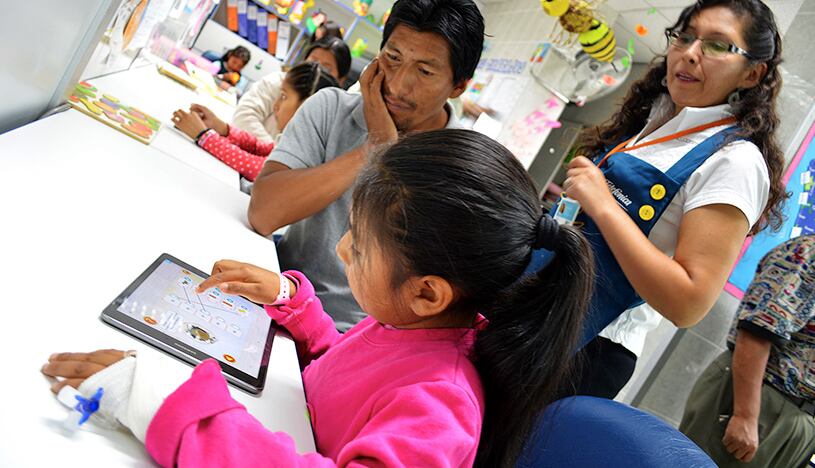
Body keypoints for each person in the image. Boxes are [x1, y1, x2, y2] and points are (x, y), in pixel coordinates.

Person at [40, 130, 595, 467]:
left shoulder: (442, 406)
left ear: (426, 291)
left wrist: (166, 408)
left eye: (360, 241)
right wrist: (292, 303)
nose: (342, 247)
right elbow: (344, 379)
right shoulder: (408, 324)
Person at [533, 0, 786, 399]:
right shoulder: (654, 123)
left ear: (752, 73)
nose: (689, 52)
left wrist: (602, 204)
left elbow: (689, 303)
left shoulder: (736, 161)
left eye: (717, 45)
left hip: (589, 346)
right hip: (547, 307)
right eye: (684, 37)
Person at [248, 0, 484, 331]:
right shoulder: (330, 108)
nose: (399, 85)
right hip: (274, 290)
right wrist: (374, 148)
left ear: (458, 86)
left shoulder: (462, 168)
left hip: (350, 338)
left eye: (425, 71)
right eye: (393, 58)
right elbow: (264, 214)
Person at [680, 235, 815, 467]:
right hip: (762, 400)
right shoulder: (806, 254)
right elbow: (758, 330)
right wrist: (745, 415)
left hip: (800, 421)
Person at [171, 62, 339, 182]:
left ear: (306, 108)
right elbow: (260, 148)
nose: (276, 105)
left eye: (283, 97)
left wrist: (203, 136)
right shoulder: (291, 142)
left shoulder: (304, 157)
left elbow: (256, 168)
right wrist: (222, 128)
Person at [232, 38, 352, 141]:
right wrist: (271, 153)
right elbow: (244, 116)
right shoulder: (281, 82)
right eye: (313, 61)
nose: (317, 69)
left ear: (340, 80)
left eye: (326, 68)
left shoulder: (328, 118)